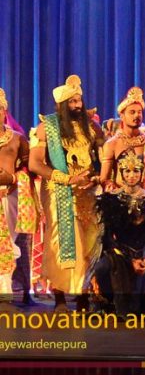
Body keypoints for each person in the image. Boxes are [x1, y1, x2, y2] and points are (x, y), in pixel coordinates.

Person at [28, 75, 105, 311]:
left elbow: (102, 160)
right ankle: (60, 298)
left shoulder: (92, 127)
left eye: (79, 100)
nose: (78, 105)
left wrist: (96, 177)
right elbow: (35, 164)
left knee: (90, 244)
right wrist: (69, 179)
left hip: (88, 193)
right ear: (61, 105)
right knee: (61, 244)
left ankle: (83, 297)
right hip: (59, 191)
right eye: (72, 102)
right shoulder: (47, 127)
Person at [93, 149, 145, 316]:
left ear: (142, 173)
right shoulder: (112, 199)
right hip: (120, 255)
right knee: (102, 267)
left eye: (136, 171)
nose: (131, 176)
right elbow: (108, 239)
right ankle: (111, 303)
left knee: (143, 309)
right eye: (127, 171)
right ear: (120, 173)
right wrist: (130, 260)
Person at [0, 88, 34, 306]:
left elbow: (29, 168)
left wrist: (14, 179)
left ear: (4, 111)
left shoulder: (17, 139)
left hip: (9, 196)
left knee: (8, 244)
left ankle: (7, 294)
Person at [100, 87, 145, 192]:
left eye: (139, 112)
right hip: (120, 198)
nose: (137, 115)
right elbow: (104, 179)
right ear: (122, 116)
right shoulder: (112, 144)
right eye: (132, 112)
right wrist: (113, 189)